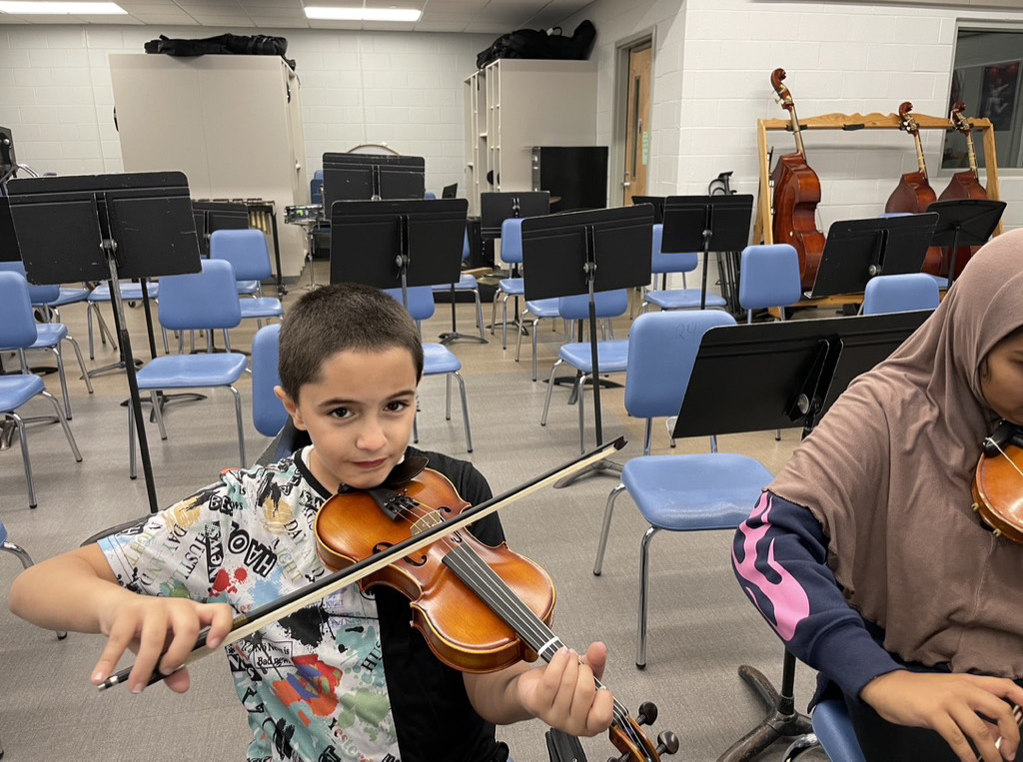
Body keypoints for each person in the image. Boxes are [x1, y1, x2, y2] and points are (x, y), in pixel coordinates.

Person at [9, 283, 614, 762]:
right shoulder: (239, 511)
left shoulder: (456, 492)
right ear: (293, 406)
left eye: (396, 406)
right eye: (341, 411)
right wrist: (119, 608)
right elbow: (34, 587)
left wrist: (533, 694)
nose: (375, 439)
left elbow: (488, 683)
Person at [732, 229, 1023, 762]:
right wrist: (880, 679)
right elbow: (762, 542)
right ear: (974, 337)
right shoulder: (886, 411)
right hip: (910, 676)